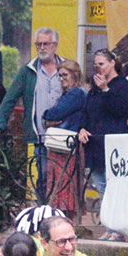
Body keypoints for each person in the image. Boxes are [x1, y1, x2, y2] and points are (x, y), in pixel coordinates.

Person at [0, 27, 63, 202]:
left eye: (46, 44)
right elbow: (9, 99)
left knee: (63, 179)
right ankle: (43, 217)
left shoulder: (67, 67)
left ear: (55, 45)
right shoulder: (28, 71)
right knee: (42, 178)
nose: (42, 48)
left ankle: (64, 219)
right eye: (39, 44)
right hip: (40, 135)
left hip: (64, 134)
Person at [78, 49, 128, 241]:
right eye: (95, 64)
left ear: (112, 63)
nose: (98, 68)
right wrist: (82, 128)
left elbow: (120, 110)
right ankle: (110, 228)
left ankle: (117, 229)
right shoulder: (94, 87)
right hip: (95, 144)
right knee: (101, 187)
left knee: (114, 188)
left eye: (101, 64)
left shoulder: (122, 85)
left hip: (114, 144)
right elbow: (88, 111)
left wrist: (106, 91)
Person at [42, 60, 87, 220]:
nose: (61, 78)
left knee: (64, 183)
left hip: (67, 145)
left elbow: (53, 114)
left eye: (65, 75)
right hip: (62, 144)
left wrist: (48, 117)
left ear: (75, 75)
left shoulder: (76, 94)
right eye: (59, 75)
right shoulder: (68, 94)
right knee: (61, 183)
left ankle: (65, 219)